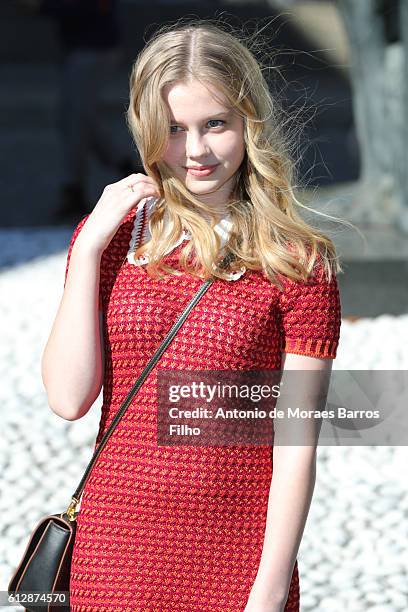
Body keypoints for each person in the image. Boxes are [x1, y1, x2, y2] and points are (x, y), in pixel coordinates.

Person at [41, 20, 343, 611]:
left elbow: (296, 439)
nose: (196, 151)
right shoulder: (115, 240)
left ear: (248, 123)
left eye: (215, 125)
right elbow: (68, 398)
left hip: (237, 559)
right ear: (146, 129)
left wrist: (270, 588)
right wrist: (88, 249)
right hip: (114, 553)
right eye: (173, 130)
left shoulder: (298, 263)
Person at [17, 0, 138, 221]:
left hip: (93, 48)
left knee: (75, 119)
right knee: (77, 117)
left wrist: (41, 7)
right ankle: (124, 164)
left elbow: (83, 9)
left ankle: (74, 188)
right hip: (86, 47)